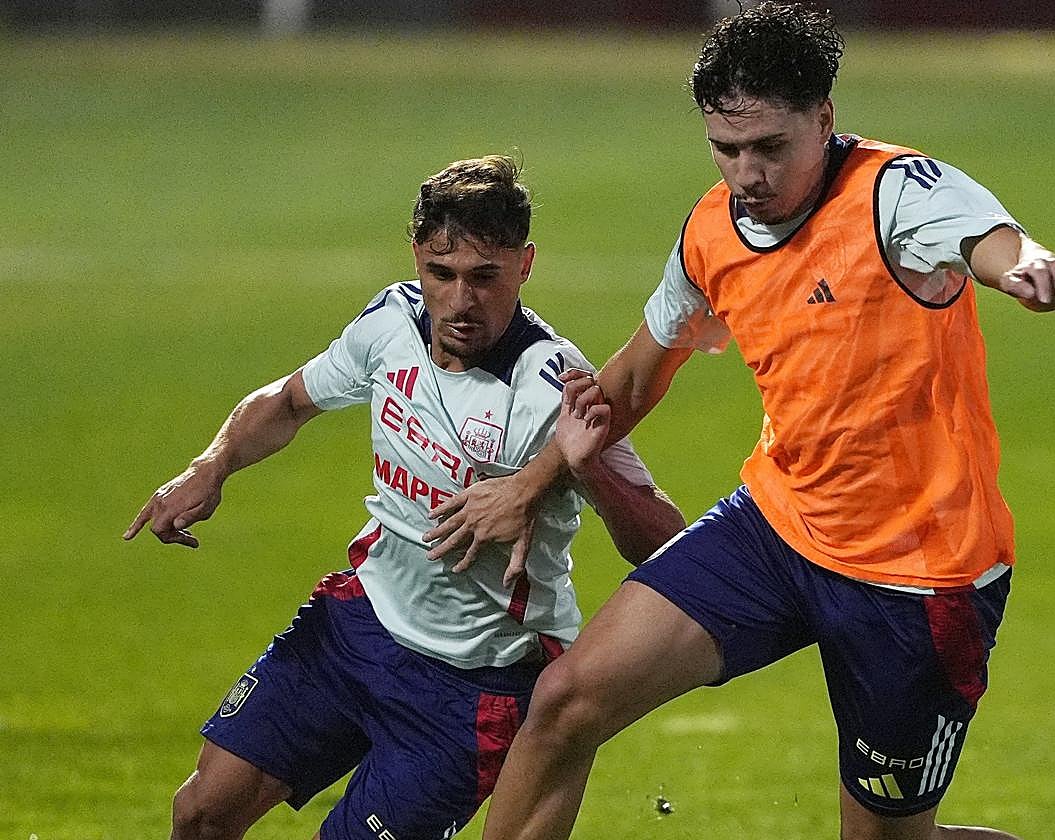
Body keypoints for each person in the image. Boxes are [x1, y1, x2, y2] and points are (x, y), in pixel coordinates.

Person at [422, 6, 1055, 840]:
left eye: (770, 147)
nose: (747, 174)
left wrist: (1026, 268)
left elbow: (991, 237)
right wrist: (530, 483)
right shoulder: (711, 230)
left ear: (825, 121)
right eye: (726, 148)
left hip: (920, 573)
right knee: (564, 705)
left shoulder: (897, 194)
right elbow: (628, 379)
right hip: (776, 530)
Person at [123, 155, 685, 840]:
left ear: (525, 264)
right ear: (417, 256)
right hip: (356, 626)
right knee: (201, 813)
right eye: (440, 275)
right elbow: (291, 400)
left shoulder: (555, 386)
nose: (459, 302)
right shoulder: (391, 323)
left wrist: (588, 466)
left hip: (472, 687)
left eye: (485, 278)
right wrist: (211, 466)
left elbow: (663, 539)